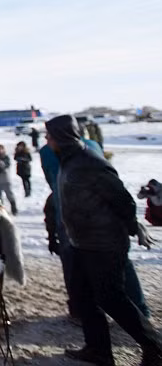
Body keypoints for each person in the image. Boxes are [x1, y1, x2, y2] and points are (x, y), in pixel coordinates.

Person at [45, 115, 162, 366]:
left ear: (61, 137)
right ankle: (98, 349)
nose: (46, 140)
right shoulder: (68, 160)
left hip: (104, 244)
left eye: (49, 136)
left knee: (112, 299)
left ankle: (154, 346)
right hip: (80, 242)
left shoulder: (89, 162)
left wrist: (133, 225)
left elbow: (121, 197)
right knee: (83, 298)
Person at [41, 129, 151, 321]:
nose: (46, 140)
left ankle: (83, 312)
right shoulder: (92, 146)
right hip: (105, 217)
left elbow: (54, 183)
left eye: (49, 136)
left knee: (78, 270)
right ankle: (138, 307)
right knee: (121, 266)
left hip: (73, 218)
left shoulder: (51, 152)